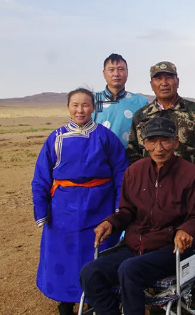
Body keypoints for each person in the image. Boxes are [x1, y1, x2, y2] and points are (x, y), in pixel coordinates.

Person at [79, 117, 195, 315]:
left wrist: (185, 229)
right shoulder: (134, 172)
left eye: (165, 141)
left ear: (175, 142)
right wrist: (110, 223)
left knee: (129, 269)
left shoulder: (191, 174)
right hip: (135, 246)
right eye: (152, 141)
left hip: (170, 249)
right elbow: (127, 211)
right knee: (90, 272)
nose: (159, 148)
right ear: (144, 143)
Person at [32, 88, 129, 315]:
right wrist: (41, 210)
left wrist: (118, 208)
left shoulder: (106, 138)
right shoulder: (55, 138)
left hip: (100, 207)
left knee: (96, 255)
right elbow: (41, 178)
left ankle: (98, 299)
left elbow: (121, 174)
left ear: (93, 108)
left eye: (85, 105)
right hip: (62, 211)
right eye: (75, 105)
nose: (80, 110)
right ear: (68, 107)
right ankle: (64, 303)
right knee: (61, 259)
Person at [126, 61, 195, 186]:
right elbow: (133, 158)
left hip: (188, 192)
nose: (164, 83)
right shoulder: (141, 116)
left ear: (177, 82)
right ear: (151, 84)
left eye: (169, 78)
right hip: (151, 191)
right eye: (158, 79)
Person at [94, 53, 149, 147]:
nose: (116, 74)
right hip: (98, 158)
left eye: (120, 69)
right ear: (104, 73)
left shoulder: (140, 102)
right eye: (111, 70)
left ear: (127, 72)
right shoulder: (93, 99)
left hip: (130, 158)